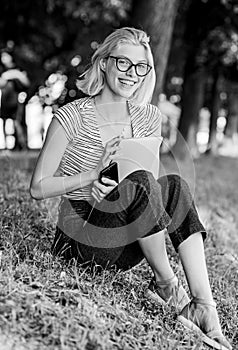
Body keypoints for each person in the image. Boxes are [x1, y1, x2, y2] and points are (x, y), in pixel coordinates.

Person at [30, 27, 232, 350]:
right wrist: (91, 178)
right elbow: (37, 187)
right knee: (141, 183)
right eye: (123, 63)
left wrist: (120, 188)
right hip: (80, 238)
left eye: (140, 67)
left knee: (175, 184)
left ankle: (203, 306)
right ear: (104, 62)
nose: (131, 74)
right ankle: (168, 285)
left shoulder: (148, 116)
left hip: (127, 239)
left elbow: (146, 187)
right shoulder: (71, 117)